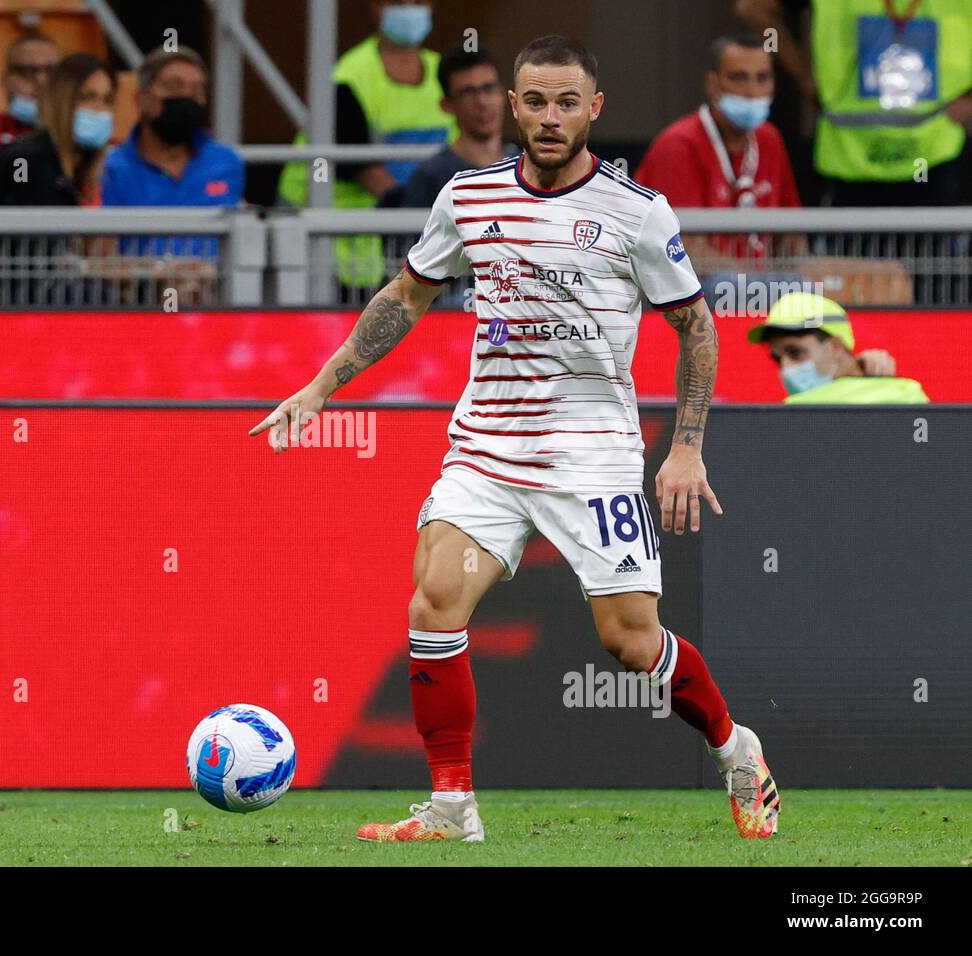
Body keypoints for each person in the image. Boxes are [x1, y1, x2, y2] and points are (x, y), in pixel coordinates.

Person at [252, 35, 781, 843]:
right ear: (512, 105)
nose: (549, 117)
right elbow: (405, 296)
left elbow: (696, 327)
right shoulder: (468, 198)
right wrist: (321, 385)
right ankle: (451, 806)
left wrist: (685, 445)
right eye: (534, 100)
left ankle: (734, 747)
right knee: (434, 600)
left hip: (594, 456)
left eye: (567, 102)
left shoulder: (636, 213)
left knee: (631, 642)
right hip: (488, 451)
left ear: (594, 110)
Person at [277, 1, 456, 289]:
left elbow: (461, 152)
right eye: (399, 1)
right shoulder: (348, 77)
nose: (410, 8)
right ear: (376, 6)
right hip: (329, 245)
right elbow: (367, 172)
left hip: (400, 245)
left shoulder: (445, 73)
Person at [739, 0, 971, 206]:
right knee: (848, 255)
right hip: (848, 160)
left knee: (934, 255)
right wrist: (801, 73)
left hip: (935, 157)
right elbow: (753, 8)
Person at [636, 35, 799, 260]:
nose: (752, 92)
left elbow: (792, 234)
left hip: (758, 288)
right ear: (712, 84)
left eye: (762, 79)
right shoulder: (678, 145)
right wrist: (758, 287)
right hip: (701, 292)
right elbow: (684, 251)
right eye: (739, 78)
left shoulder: (769, 138)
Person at [99, 45, 243, 258]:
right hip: (141, 289)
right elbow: (103, 256)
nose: (186, 97)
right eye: (174, 87)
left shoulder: (227, 162)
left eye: (196, 91)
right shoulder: (111, 170)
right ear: (142, 99)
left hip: (216, 289)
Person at [0, 53, 114, 206]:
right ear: (60, 101)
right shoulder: (21, 161)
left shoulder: (97, 170)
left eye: (107, 100)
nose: (98, 109)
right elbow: (21, 212)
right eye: (87, 97)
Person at [747, 291, 929, 402]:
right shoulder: (910, 393)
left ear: (835, 347)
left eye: (795, 352)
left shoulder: (792, 417)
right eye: (777, 359)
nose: (785, 368)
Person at [401, 47, 520, 208]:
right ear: (446, 105)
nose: (482, 102)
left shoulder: (528, 166)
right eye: (468, 93)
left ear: (504, 94)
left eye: (489, 88)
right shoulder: (430, 177)